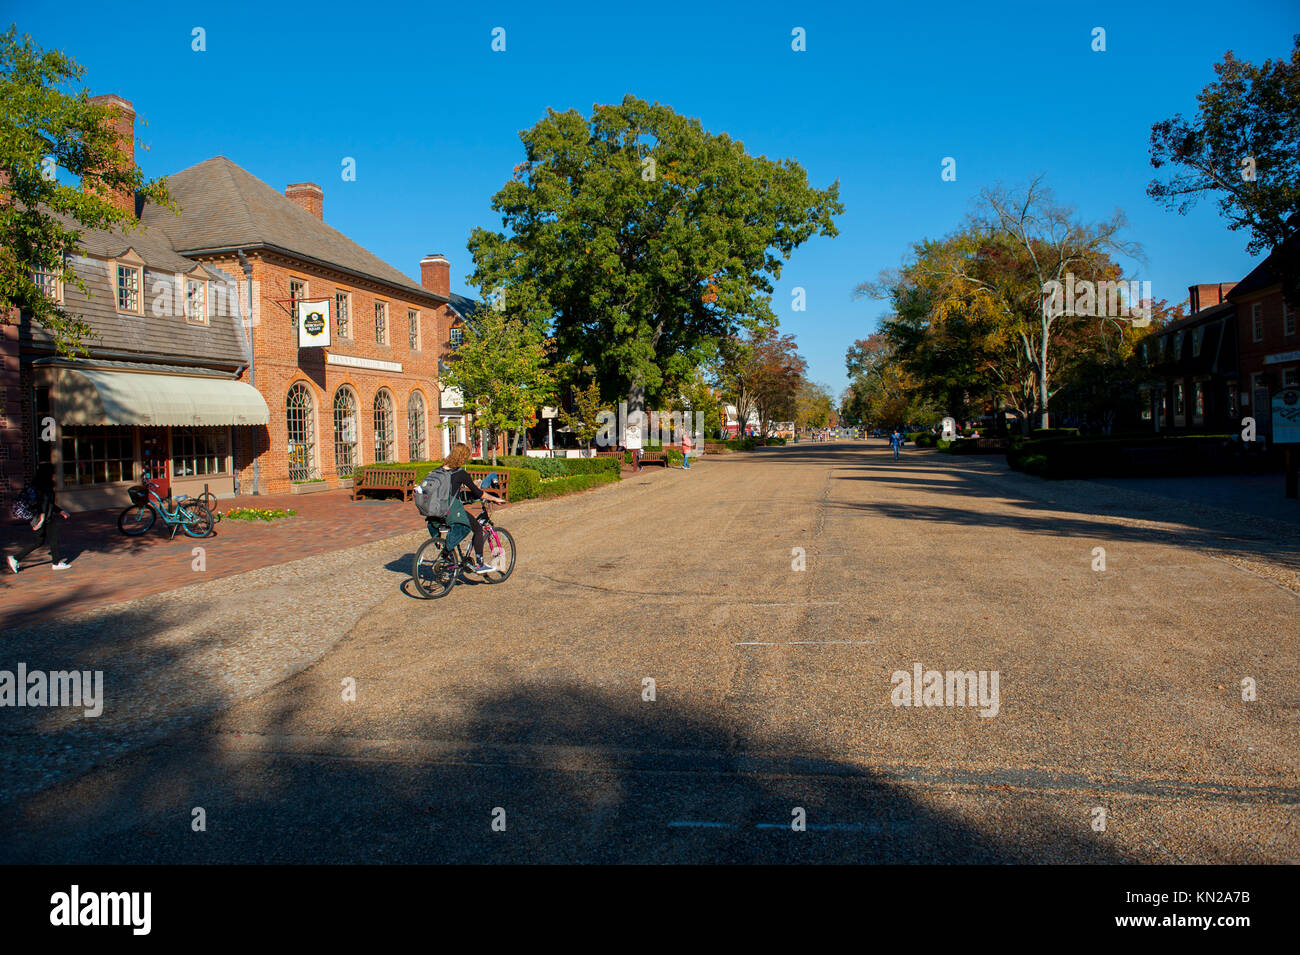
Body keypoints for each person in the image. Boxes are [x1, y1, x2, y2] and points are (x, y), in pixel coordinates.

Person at [436, 443, 504, 574]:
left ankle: (446, 555)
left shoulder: (440, 470)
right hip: (451, 510)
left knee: (459, 526)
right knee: (477, 529)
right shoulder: (460, 473)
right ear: (463, 457)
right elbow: (478, 492)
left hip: (437, 510)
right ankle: (480, 564)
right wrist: (495, 499)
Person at [8, 462, 70, 572]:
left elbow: (48, 503)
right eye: (53, 471)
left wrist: (60, 511)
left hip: (43, 516)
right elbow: (45, 503)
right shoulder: (44, 486)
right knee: (50, 539)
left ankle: (15, 558)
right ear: (48, 472)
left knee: (40, 541)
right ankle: (55, 563)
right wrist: (42, 517)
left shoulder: (39, 484)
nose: (54, 473)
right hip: (44, 518)